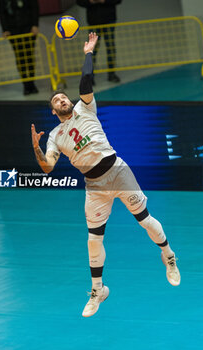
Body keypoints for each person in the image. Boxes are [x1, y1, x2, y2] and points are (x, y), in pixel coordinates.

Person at [31, 33, 181, 318]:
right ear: (53, 111)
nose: (62, 99)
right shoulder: (54, 136)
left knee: (145, 221)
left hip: (117, 171)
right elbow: (48, 166)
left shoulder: (84, 107)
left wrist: (88, 53)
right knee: (93, 239)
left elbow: (85, 83)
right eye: (57, 100)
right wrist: (37, 150)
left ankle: (169, 256)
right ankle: (98, 290)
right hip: (94, 185)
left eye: (64, 96)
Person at [0, 0, 39, 95]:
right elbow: (1, 12)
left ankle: (32, 83)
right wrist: (5, 29)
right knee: (20, 57)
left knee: (29, 56)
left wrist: (35, 25)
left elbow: (34, 7)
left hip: (28, 28)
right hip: (13, 30)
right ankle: (25, 84)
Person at [77, 0, 122, 84]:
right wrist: (90, 1)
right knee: (91, 50)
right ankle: (90, 76)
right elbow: (79, 2)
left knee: (111, 48)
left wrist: (104, 1)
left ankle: (112, 74)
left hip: (109, 20)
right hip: (93, 22)